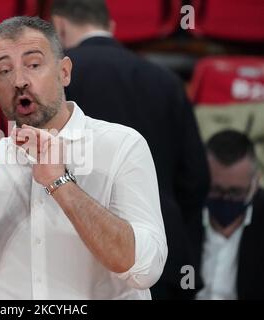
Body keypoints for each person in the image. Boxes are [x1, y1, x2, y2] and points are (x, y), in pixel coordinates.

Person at [0, 16, 167, 300]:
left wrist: (60, 182)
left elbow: (145, 270)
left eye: (34, 65)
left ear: (64, 72)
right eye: (4, 71)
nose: (19, 81)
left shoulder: (122, 145)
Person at [50, 0, 210, 299]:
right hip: (163, 252)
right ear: (111, 28)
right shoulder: (167, 81)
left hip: (80, 257)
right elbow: (196, 179)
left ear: (58, 26)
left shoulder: (53, 83)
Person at [189, 130, 264, 300]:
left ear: (255, 183)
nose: (225, 199)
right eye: (216, 190)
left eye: (235, 192)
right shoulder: (184, 219)